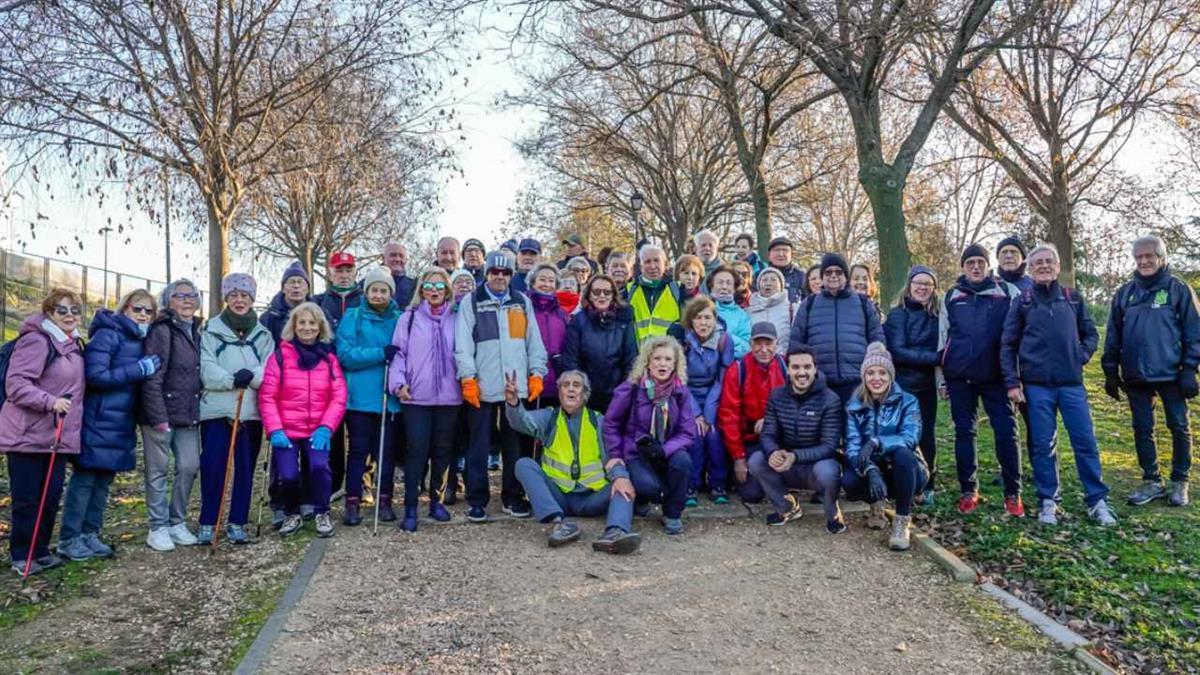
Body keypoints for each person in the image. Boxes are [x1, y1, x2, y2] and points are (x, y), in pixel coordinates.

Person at [1001, 244, 1116, 526]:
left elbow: (1090, 334)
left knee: (1085, 442)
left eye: (1048, 261)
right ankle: (1048, 500)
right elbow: (1008, 344)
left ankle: (1097, 500)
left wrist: (1080, 356)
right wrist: (1012, 382)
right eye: (1037, 262)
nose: (1043, 266)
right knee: (1043, 445)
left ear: (1057, 265)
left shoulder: (1072, 298)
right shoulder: (1022, 301)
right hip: (1037, 387)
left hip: (1071, 385)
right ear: (1030, 267)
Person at [58, 290, 161, 562]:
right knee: (84, 480)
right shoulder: (109, 334)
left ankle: (91, 533)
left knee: (103, 481)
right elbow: (95, 375)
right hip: (98, 417)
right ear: (124, 308)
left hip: (120, 421)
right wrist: (137, 370)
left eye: (148, 311)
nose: (142, 315)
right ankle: (69, 538)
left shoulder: (139, 338)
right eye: (137, 309)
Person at [1104, 235, 1200, 508]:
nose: (1144, 261)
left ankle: (1180, 481)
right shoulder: (1125, 293)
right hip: (1136, 375)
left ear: (1162, 258)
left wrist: (1190, 368)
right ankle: (1152, 481)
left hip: (1172, 374)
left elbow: (1195, 332)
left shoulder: (1178, 289)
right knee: (1142, 428)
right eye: (1139, 257)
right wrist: (1111, 369)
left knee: (1179, 426)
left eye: (1150, 256)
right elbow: (1113, 333)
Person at [455, 250, 549, 522]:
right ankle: (477, 499)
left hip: (514, 386)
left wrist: (536, 373)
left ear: (510, 275)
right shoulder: (471, 302)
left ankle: (512, 495)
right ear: (487, 274)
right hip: (482, 387)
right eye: (494, 272)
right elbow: (463, 345)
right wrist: (468, 378)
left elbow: (533, 342)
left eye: (505, 272)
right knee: (479, 445)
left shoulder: (521, 301)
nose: (499, 277)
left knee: (514, 446)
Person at [507, 370, 641, 553]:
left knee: (623, 483)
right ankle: (558, 524)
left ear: (585, 393)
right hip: (558, 496)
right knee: (523, 464)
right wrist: (513, 402)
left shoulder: (598, 420)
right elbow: (522, 422)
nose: (570, 389)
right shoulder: (549, 418)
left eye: (576, 385)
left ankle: (615, 533)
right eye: (565, 385)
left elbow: (612, 457)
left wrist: (620, 477)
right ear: (559, 392)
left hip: (592, 497)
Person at [1, 289, 85, 575]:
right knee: (27, 500)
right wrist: (49, 402)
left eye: (75, 310)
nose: (70, 315)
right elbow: (16, 384)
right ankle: (22, 556)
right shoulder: (37, 341)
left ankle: (40, 552)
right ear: (49, 312)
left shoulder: (72, 346)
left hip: (57, 437)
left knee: (49, 498)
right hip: (27, 435)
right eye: (62, 310)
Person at [940, 243, 1023, 516]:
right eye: (970, 262)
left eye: (980, 262)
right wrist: (942, 377)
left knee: (1006, 433)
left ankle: (1013, 493)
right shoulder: (952, 295)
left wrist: (1016, 377)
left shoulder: (1008, 292)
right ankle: (969, 490)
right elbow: (944, 337)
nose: (975, 267)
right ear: (963, 267)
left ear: (988, 265)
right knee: (965, 433)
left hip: (997, 377)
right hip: (959, 376)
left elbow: (1017, 336)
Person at [258, 302, 346, 537]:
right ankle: (291, 513)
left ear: (320, 327)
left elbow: (338, 396)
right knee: (287, 474)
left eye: (312, 323)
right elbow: (267, 395)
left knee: (319, 468)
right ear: (294, 326)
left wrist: (327, 427)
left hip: (317, 428)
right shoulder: (279, 357)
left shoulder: (329, 360)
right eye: (302, 323)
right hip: (286, 429)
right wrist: (275, 429)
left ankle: (322, 511)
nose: (307, 328)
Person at [198, 273, 274, 544]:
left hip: (250, 411)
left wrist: (252, 376)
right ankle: (209, 521)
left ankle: (237, 521)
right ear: (226, 298)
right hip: (217, 410)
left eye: (244, 295)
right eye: (234, 295)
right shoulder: (210, 330)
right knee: (213, 467)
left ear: (252, 299)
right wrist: (231, 379)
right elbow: (206, 367)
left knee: (245, 468)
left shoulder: (263, 334)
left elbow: (269, 366)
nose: (239, 300)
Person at [389, 267, 461, 531]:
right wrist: (398, 384)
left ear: (447, 291)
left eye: (439, 287)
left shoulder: (456, 317)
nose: (434, 291)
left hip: (450, 396)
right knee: (416, 451)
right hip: (416, 396)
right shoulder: (408, 318)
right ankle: (410, 507)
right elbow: (398, 354)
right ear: (421, 290)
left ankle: (436, 501)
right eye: (429, 286)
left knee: (443, 451)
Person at [602, 336, 697, 535]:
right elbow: (611, 424)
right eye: (657, 358)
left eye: (668, 359)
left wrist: (664, 449)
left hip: (666, 449)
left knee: (683, 463)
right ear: (647, 361)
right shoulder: (632, 388)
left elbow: (687, 432)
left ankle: (672, 514)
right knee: (647, 486)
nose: (662, 363)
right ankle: (643, 498)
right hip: (636, 452)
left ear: (675, 364)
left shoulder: (681, 392)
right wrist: (616, 455)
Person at [752, 343, 845, 532]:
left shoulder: (830, 399)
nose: (801, 373)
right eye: (796, 367)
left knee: (829, 470)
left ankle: (833, 514)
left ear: (815, 369)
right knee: (756, 461)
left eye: (807, 367)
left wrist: (795, 456)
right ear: (788, 370)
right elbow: (768, 432)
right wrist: (772, 452)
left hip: (815, 467)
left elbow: (829, 445)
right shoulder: (777, 396)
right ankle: (786, 507)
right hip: (785, 464)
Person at [842, 343, 927, 550]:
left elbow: (910, 437)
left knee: (903, 456)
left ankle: (901, 520)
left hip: (907, 468)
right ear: (864, 376)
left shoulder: (908, 401)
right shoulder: (854, 405)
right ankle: (876, 504)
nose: (876, 378)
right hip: (874, 466)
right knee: (850, 481)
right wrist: (869, 469)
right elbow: (852, 446)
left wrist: (876, 441)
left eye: (882, 372)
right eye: (870, 373)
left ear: (891, 376)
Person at [139, 279, 204, 551]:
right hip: (161, 413)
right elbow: (153, 377)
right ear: (168, 301)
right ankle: (158, 526)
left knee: (189, 466)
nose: (187, 301)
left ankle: (177, 521)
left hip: (188, 412)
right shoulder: (162, 330)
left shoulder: (198, 331)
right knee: (158, 471)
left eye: (192, 296)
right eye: (180, 296)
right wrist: (158, 415)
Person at [336, 267, 402, 526]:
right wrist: (379, 353)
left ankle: (385, 499)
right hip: (360, 399)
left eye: (383, 290)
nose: (378, 294)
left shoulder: (399, 318)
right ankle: (352, 501)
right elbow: (346, 355)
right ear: (366, 292)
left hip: (389, 398)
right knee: (358, 451)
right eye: (374, 290)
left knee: (386, 453)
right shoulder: (353, 316)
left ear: (390, 293)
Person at [790, 253, 884, 402]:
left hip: (857, 383)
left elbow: (877, 337)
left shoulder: (863, 303)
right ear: (822, 276)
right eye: (828, 272)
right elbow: (796, 341)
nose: (833, 275)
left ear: (846, 276)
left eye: (838, 272)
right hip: (820, 383)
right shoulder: (809, 303)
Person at [884, 265, 941, 504]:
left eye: (927, 284)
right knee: (902, 434)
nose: (922, 288)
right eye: (918, 283)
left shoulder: (939, 314)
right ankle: (900, 482)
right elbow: (898, 351)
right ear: (909, 286)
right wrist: (935, 357)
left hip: (927, 384)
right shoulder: (897, 314)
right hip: (903, 384)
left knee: (926, 434)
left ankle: (928, 483)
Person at [717, 322, 788, 503]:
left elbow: (796, 407)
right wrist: (738, 457)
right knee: (752, 494)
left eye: (768, 343)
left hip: (780, 439)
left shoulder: (786, 367)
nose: (763, 349)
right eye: (758, 344)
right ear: (750, 344)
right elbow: (729, 416)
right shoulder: (738, 370)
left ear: (777, 344)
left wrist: (770, 421)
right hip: (749, 441)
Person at [681, 297, 735, 505]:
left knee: (714, 435)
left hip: (715, 395)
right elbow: (680, 380)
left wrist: (708, 415)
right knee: (695, 434)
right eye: (698, 318)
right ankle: (691, 486)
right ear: (691, 321)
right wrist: (696, 414)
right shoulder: (684, 341)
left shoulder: (724, 340)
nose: (703, 323)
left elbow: (723, 378)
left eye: (707, 318)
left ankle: (718, 484)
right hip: (687, 396)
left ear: (715, 320)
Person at [562, 275, 638, 411]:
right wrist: (579, 390)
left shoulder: (624, 322)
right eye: (596, 292)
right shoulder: (578, 321)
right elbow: (571, 359)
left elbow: (631, 360)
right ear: (589, 295)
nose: (601, 296)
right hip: (585, 396)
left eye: (607, 292)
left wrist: (623, 392)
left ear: (613, 295)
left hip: (616, 395)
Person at [444, 268, 480, 504]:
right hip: (448, 383)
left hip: (474, 381)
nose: (464, 285)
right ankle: (449, 484)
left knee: (472, 436)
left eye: (469, 281)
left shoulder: (480, 311)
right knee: (449, 437)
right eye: (459, 282)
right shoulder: (444, 312)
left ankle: (472, 481)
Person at [527, 264, 569, 407]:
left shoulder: (562, 314)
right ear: (533, 282)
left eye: (551, 281)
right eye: (542, 279)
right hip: (530, 381)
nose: (547, 284)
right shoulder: (525, 309)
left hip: (556, 382)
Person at [628, 244, 682, 343]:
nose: (652, 266)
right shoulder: (629, 289)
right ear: (641, 266)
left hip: (667, 355)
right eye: (647, 261)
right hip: (637, 355)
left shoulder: (678, 289)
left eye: (656, 261)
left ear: (665, 264)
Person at [748, 267, 796, 354]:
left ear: (781, 286)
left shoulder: (792, 309)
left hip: (784, 361)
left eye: (773, 280)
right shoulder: (749, 311)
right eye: (764, 280)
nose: (768, 283)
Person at [259, 261, 310, 343]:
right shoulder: (268, 318)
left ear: (307, 289)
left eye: (300, 282)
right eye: (291, 282)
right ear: (283, 288)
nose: (296, 286)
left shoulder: (319, 314)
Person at [313, 251, 361, 334]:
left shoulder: (365, 300)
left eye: (348, 271)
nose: (344, 276)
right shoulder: (318, 302)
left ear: (355, 274)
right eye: (339, 271)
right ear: (330, 275)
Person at [708, 265, 750, 357]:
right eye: (720, 282)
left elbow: (747, 347)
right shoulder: (701, 308)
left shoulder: (741, 315)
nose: (724, 287)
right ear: (711, 286)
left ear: (734, 288)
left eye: (728, 283)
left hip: (730, 366)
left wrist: (726, 341)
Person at [384, 241, 417, 308]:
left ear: (406, 260)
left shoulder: (414, 286)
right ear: (383, 258)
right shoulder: (367, 284)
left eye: (401, 256)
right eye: (393, 255)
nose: (397, 259)